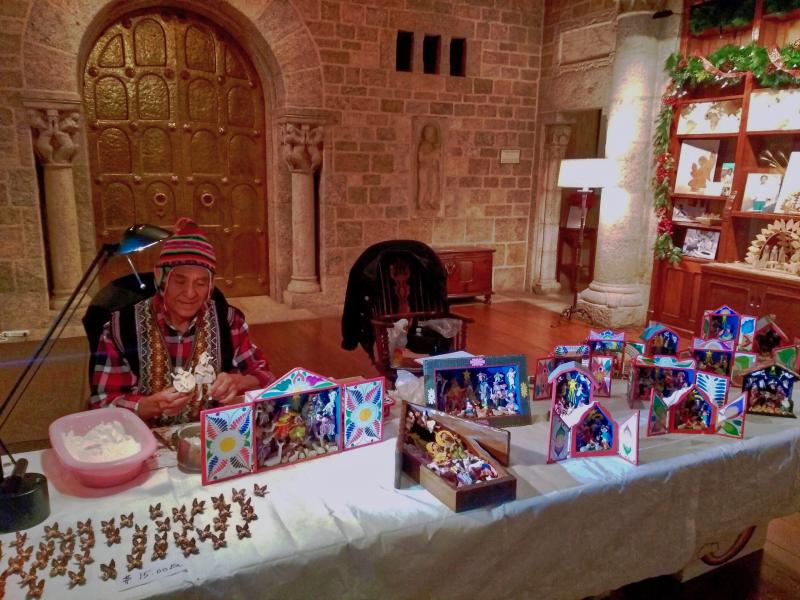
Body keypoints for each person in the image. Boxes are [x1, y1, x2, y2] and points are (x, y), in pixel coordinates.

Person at [90, 218, 275, 425]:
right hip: (145, 441)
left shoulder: (229, 321)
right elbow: (102, 402)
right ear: (161, 279)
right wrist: (145, 406)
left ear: (210, 286)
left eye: (201, 283)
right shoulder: (119, 328)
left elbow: (265, 377)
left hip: (213, 437)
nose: (190, 293)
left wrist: (239, 382)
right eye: (179, 281)